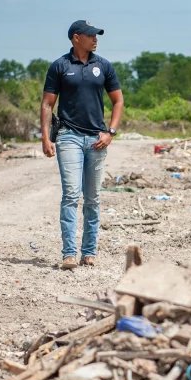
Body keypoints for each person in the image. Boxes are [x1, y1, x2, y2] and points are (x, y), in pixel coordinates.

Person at [40, 19, 124, 270]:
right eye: (91, 35)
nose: (96, 39)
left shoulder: (104, 66)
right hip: (68, 137)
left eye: (97, 35)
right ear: (77, 38)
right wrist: (45, 137)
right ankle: (68, 253)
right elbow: (47, 104)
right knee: (71, 195)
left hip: (98, 139)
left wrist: (111, 132)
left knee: (93, 198)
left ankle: (89, 252)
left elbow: (118, 102)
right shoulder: (60, 66)